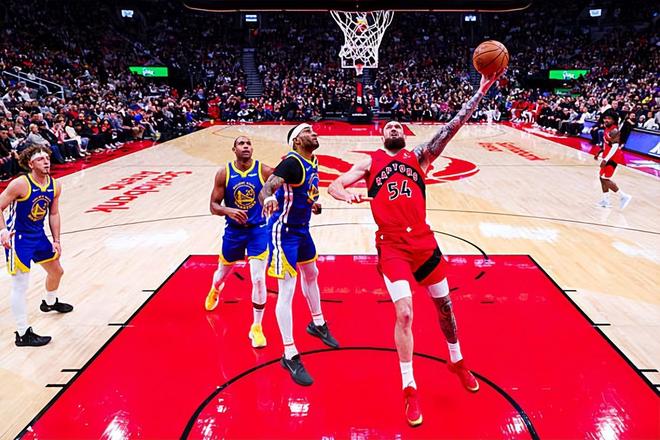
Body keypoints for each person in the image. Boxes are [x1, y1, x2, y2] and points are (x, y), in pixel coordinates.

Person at [328, 70, 504, 426]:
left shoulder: (419, 156)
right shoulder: (370, 163)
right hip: (392, 246)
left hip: (424, 242)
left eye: (398, 126)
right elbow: (335, 185)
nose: (394, 128)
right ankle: (409, 387)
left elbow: (453, 126)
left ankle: (457, 360)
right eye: (389, 126)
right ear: (382, 135)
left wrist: (481, 91)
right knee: (405, 314)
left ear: (404, 135)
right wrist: (347, 195)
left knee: (445, 308)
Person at [259, 123, 339, 386]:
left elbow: (304, 191)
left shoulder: (312, 161)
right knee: (287, 290)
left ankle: (317, 323)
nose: (314, 133)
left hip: (302, 229)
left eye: (314, 131)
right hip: (284, 233)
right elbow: (266, 188)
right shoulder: (291, 162)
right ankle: (289, 353)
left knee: (312, 272)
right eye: (307, 131)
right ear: (296, 141)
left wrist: (312, 203)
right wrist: (269, 198)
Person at [205, 136, 274, 348]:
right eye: (241, 144)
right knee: (221, 274)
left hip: (257, 230)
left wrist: (273, 200)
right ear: (234, 149)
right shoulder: (224, 173)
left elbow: (281, 191)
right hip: (234, 231)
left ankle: (256, 327)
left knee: (259, 279)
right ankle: (216, 288)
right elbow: (213, 205)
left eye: (249, 143)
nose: (246, 146)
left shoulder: (264, 171)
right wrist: (228, 210)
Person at [0, 145, 73, 347]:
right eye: (40, 159)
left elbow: (54, 214)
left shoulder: (55, 185)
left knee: (57, 271)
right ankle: (22, 333)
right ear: (30, 164)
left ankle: (49, 303)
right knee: (21, 285)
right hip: (18, 238)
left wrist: (56, 240)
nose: (46, 161)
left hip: (38, 235)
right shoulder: (20, 184)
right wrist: (3, 231)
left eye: (47, 157)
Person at [595, 109, 632, 209]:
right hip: (607, 155)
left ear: (614, 120)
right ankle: (606, 200)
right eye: (605, 118)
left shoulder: (614, 130)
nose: (606, 120)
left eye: (609, 118)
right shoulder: (607, 128)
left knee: (605, 178)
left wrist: (605, 159)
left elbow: (615, 146)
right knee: (601, 177)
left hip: (613, 157)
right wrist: (600, 151)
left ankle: (624, 196)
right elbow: (607, 143)